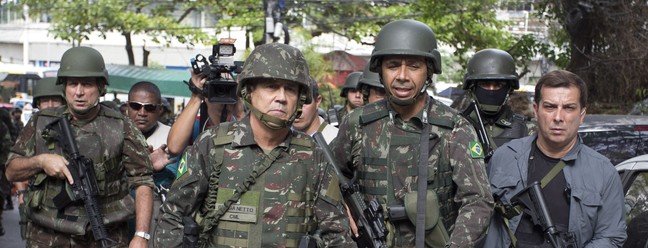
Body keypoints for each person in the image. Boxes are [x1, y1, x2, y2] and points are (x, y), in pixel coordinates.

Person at [154, 43, 355, 247]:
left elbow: (337, 234)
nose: (282, 98)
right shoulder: (212, 145)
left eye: (291, 89)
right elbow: (172, 216)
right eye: (271, 87)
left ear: (301, 98)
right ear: (249, 91)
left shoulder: (314, 156)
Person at [330, 19, 494, 247]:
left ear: (429, 71)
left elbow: (478, 200)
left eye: (414, 66)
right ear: (380, 71)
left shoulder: (454, 128)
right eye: (393, 65)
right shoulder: (357, 123)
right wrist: (341, 207)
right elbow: (329, 179)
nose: (403, 76)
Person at [5, 46, 155, 247]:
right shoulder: (41, 121)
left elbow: (143, 181)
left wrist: (141, 235)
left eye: (87, 84)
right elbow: (11, 172)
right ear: (64, 87)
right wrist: (40, 161)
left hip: (103, 234)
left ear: (101, 87)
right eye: (72, 84)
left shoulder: (121, 125)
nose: (79, 92)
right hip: (46, 235)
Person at [483, 70, 627, 247]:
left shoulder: (603, 172)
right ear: (536, 110)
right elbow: (480, 218)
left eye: (568, 108)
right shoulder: (504, 157)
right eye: (550, 107)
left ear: (582, 115)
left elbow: (612, 237)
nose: (558, 117)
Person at [126, 81, 177, 243]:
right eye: (136, 106)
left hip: (156, 225)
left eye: (149, 107)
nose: (142, 112)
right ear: (127, 107)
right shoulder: (113, 133)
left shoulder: (173, 138)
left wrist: (159, 172)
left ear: (160, 110)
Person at [461, 49, 536, 160]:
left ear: (509, 89)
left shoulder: (528, 130)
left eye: (499, 85)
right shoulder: (456, 127)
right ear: (472, 87)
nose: (491, 91)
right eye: (484, 84)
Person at [293, 77, 339, 143]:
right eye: (292, 102)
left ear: (317, 101)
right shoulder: (278, 138)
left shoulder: (336, 139)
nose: (297, 110)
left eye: (304, 102)